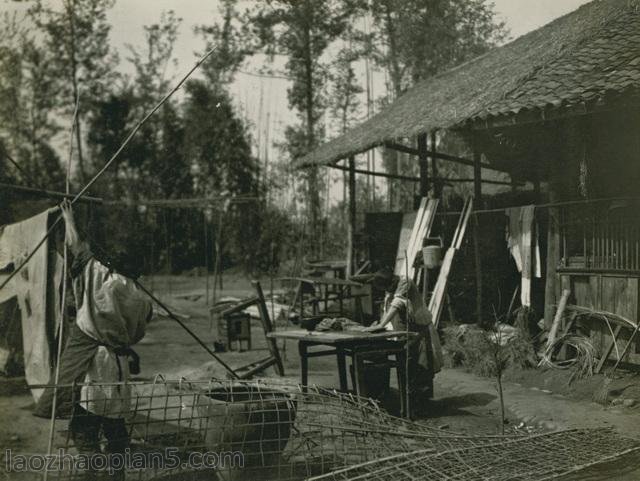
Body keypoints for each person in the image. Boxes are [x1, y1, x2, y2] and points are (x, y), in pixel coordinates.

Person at [34, 201, 152, 479]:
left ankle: (94, 475)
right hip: (119, 361)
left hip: (94, 363)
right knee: (114, 426)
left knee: (84, 429)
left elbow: (76, 247)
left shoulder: (100, 276)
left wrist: (69, 220)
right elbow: (141, 330)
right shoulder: (141, 297)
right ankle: (116, 474)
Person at [366, 267, 443, 416]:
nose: (387, 291)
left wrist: (381, 325)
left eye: (387, 288)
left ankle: (421, 406)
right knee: (408, 367)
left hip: (419, 329)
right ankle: (411, 404)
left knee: (420, 366)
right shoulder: (391, 289)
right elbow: (388, 309)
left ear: (390, 282)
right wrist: (380, 325)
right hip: (405, 333)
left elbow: (397, 304)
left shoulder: (405, 282)